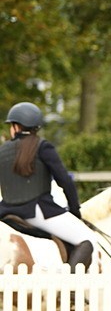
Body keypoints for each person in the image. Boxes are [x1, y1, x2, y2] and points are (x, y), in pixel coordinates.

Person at [0, 102, 98, 268]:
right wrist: (75, 210)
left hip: (5, 211)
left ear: (16, 127)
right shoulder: (42, 147)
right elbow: (65, 181)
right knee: (87, 239)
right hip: (38, 211)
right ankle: (70, 284)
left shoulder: (2, 151)